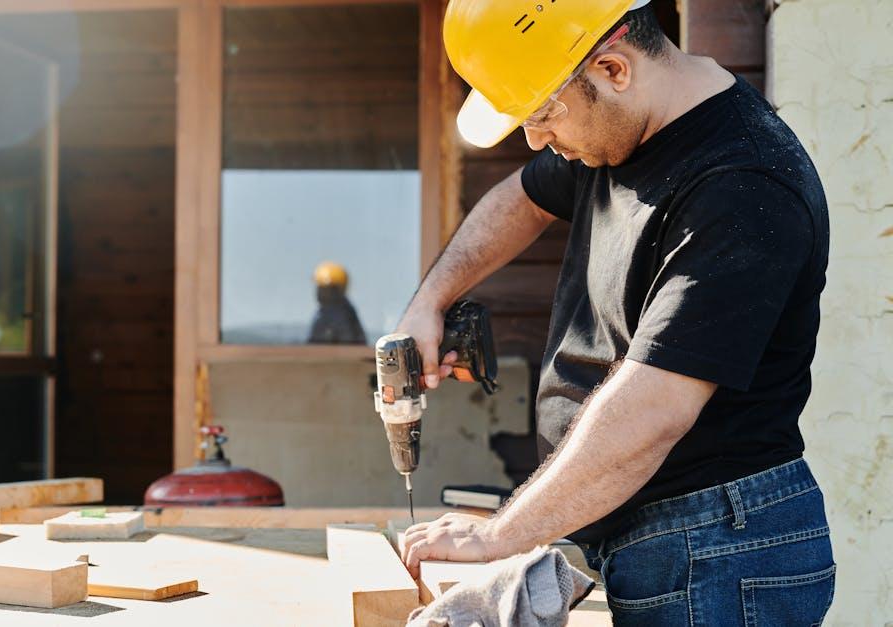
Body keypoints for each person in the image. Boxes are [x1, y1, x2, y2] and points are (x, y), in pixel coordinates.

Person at [397, 1, 835, 624]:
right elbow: (522, 198)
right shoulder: (626, 122)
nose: (537, 139)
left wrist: (500, 535)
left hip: (716, 548)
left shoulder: (743, 185)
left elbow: (652, 411)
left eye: (543, 115)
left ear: (613, 68)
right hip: (653, 525)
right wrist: (429, 301)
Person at [307, 261, 366, 344]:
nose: (320, 292)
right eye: (319, 288)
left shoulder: (339, 316)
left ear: (336, 290)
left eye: (324, 289)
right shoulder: (330, 312)